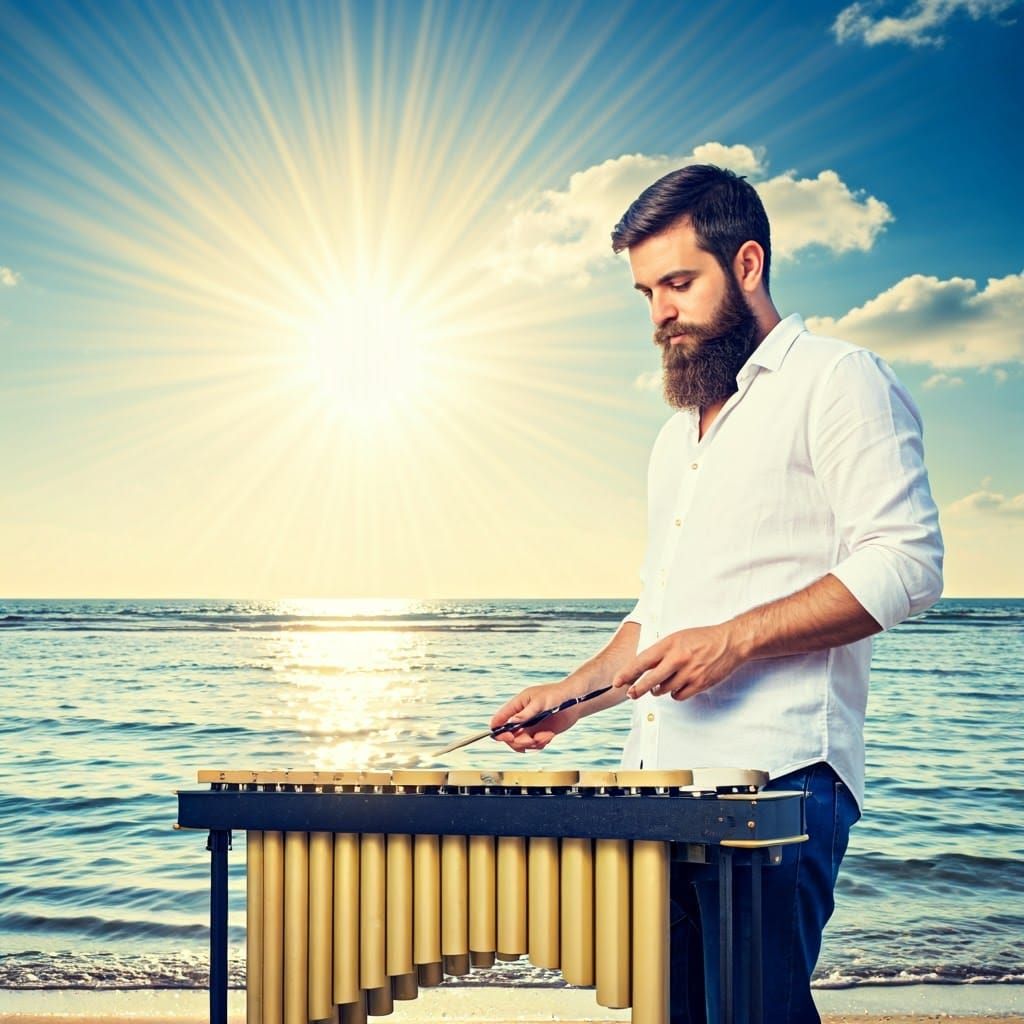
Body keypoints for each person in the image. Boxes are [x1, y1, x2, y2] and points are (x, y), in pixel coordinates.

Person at [489, 164, 944, 1023]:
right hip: (656, 792)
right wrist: (573, 699)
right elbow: (655, 619)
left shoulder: (839, 379)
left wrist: (733, 638)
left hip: (777, 781)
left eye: (678, 282)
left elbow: (909, 562)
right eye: (644, 292)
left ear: (746, 264)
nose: (660, 312)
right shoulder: (673, 438)